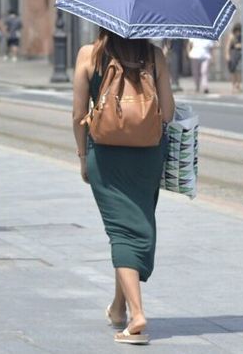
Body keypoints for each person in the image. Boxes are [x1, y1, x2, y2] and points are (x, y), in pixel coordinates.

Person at [72, 29, 175, 345]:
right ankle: (118, 307)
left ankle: (137, 314)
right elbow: (168, 113)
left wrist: (81, 157)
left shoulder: (89, 55)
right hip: (147, 156)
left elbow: (78, 115)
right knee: (135, 225)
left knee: (122, 231)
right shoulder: (154, 56)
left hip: (105, 156)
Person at [226, 21, 243, 93]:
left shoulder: (242, 36)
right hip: (233, 54)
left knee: (239, 70)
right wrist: (227, 55)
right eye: (237, 31)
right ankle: (233, 85)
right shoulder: (232, 36)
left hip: (240, 54)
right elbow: (228, 46)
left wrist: (240, 45)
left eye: (239, 31)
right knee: (233, 70)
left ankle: (238, 84)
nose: (238, 32)